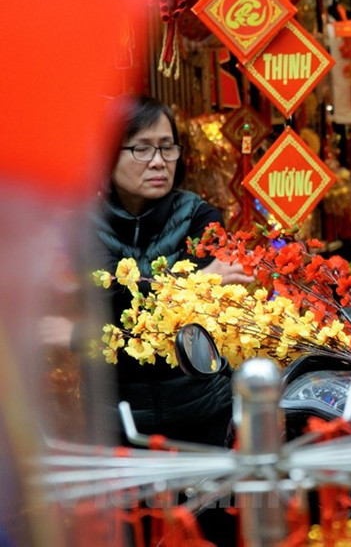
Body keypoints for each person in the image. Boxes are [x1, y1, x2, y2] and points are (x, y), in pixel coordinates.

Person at [92, 95, 251, 446]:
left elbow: (206, 307)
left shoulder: (201, 217)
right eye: (142, 149)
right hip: (115, 416)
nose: (158, 162)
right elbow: (104, 302)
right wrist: (197, 280)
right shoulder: (84, 225)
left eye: (167, 148)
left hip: (202, 406)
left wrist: (191, 290)